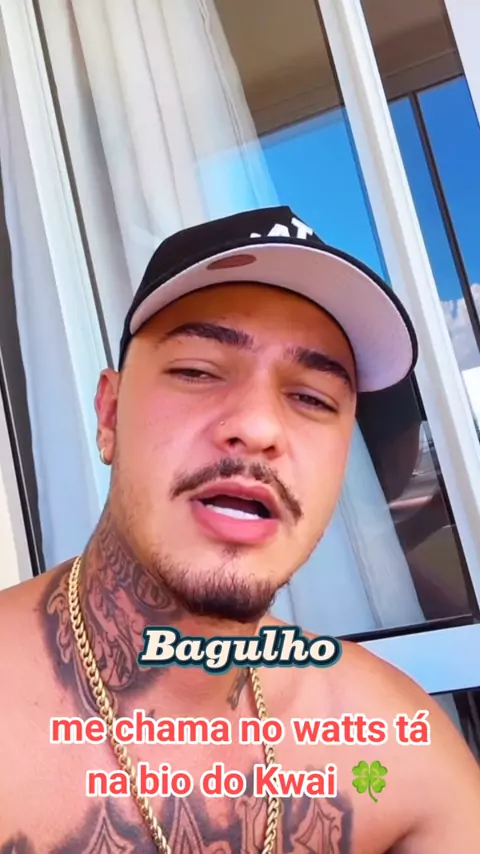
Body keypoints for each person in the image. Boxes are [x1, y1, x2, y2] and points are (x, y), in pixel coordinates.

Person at [1, 205, 479, 854]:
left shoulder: (398, 752)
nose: (256, 427)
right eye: (197, 372)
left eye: (311, 398)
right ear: (109, 416)